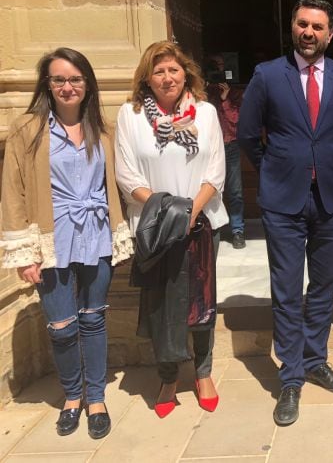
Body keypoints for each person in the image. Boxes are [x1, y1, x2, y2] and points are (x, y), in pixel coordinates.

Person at [238, 0, 333, 426]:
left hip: (330, 196)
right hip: (282, 199)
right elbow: (249, 135)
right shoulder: (268, 75)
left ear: (331, 33)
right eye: (302, 24)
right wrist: (277, 169)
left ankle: (315, 361)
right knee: (288, 289)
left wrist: (323, 168)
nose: (309, 32)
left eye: (318, 26)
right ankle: (290, 377)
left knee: (325, 284)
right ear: (293, 28)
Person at [0, 48, 133, 439]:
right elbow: (14, 194)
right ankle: (71, 396)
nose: (67, 86)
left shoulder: (103, 129)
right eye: (58, 79)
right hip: (51, 239)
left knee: (93, 319)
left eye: (75, 79)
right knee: (61, 325)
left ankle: (95, 398)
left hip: (96, 233)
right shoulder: (28, 129)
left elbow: (116, 187)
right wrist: (25, 252)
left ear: (87, 83)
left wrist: (122, 234)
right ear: (47, 84)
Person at [115, 41, 228, 418]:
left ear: (186, 74)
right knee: (161, 303)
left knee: (201, 302)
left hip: (199, 222)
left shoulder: (206, 113)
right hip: (156, 227)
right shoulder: (130, 116)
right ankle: (167, 376)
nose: (167, 77)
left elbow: (216, 170)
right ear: (147, 77)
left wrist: (191, 210)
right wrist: (168, 211)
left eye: (174, 70)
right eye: (159, 71)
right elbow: (127, 175)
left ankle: (204, 372)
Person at [204, 53, 246, 249]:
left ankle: (238, 230)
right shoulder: (202, 93)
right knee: (209, 190)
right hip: (209, 150)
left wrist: (225, 99)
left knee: (235, 191)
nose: (219, 72)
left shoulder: (235, 93)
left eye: (223, 67)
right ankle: (213, 228)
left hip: (230, 145)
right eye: (215, 67)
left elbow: (237, 122)